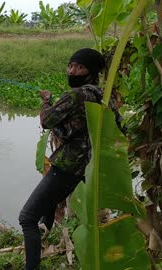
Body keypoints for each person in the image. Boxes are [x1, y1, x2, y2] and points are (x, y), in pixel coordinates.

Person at [18, 48, 123, 270]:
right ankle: (46, 230)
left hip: (68, 166)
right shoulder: (105, 96)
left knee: (27, 217)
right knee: (47, 205)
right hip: (88, 166)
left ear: (91, 71)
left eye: (79, 67)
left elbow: (47, 121)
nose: (72, 71)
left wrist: (46, 101)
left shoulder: (76, 95)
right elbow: (116, 127)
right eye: (71, 65)